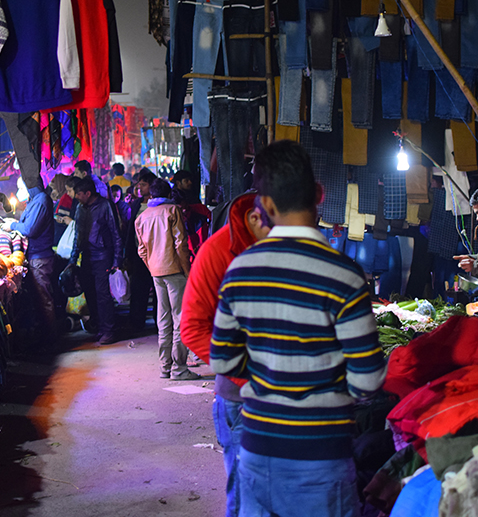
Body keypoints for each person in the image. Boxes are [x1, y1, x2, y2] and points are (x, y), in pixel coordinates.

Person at [210, 140, 386, 517]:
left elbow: (223, 362)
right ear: (318, 195)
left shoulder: (240, 271)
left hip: (258, 452)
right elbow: (368, 381)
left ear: (266, 206)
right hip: (322, 457)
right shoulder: (345, 275)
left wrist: (270, 373)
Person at [180, 191, 272, 516]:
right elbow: (192, 328)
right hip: (242, 399)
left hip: (293, 400)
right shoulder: (218, 250)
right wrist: (248, 374)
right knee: (249, 499)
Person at [135, 179, 196, 380]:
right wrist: (187, 270)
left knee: (163, 319)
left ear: (151, 195)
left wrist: (152, 267)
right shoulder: (173, 211)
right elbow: (181, 244)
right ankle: (179, 369)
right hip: (175, 270)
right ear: (169, 194)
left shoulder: (142, 217)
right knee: (180, 319)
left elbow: (142, 250)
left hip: (156, 272)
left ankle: (165, 367)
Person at [71, 177, 123, 345]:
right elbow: (77, 235)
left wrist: (117, 260)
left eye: (78, 193)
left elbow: (116, 233)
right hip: (86, 257)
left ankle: (109, 330)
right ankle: (100, 328)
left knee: (103, 295)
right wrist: (73, 259)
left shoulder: (105, 206)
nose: (76, 197)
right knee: (91, 294)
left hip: (102, 256)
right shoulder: (80, 208)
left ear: (88, 193)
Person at [8, 178, 58, 346]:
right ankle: (44, 337)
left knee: (44, 298)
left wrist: (13, 225)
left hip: (40, 257)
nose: (19, 191)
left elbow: (29, 229)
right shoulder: (35, 201)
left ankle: (50, 340)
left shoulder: (41, 201)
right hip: (36, 256)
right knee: (39, 299)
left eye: (21, 187)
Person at [124, 168, 158, 331]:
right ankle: (137, 322)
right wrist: (128, 254)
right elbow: (131, 230)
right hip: (139, 254)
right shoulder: (137, 204)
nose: (139, 187)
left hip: (157, 254)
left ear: (152, 186)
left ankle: (160, 323)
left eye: (143, 184)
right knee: (138, 289)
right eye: (139, 184)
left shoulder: (159, 204)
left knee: (158, 290)